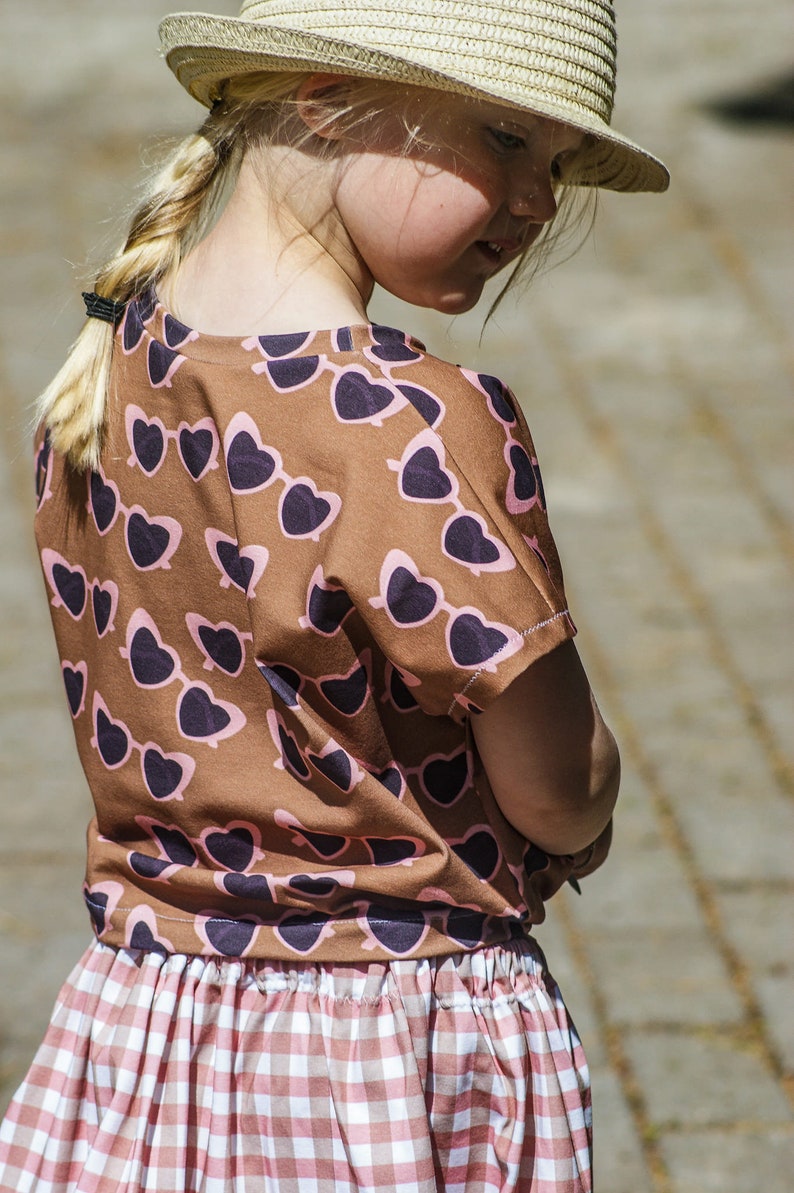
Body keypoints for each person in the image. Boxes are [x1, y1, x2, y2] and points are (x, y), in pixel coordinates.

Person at [0, 2, 668, 1190]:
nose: (536, 201)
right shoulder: (407, 421)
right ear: (323, 95)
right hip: (381, 1042)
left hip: (148, 1027)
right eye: (506, 138)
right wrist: (594, 803)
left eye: (556, 166)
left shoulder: (108, 366)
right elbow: (556, 789)